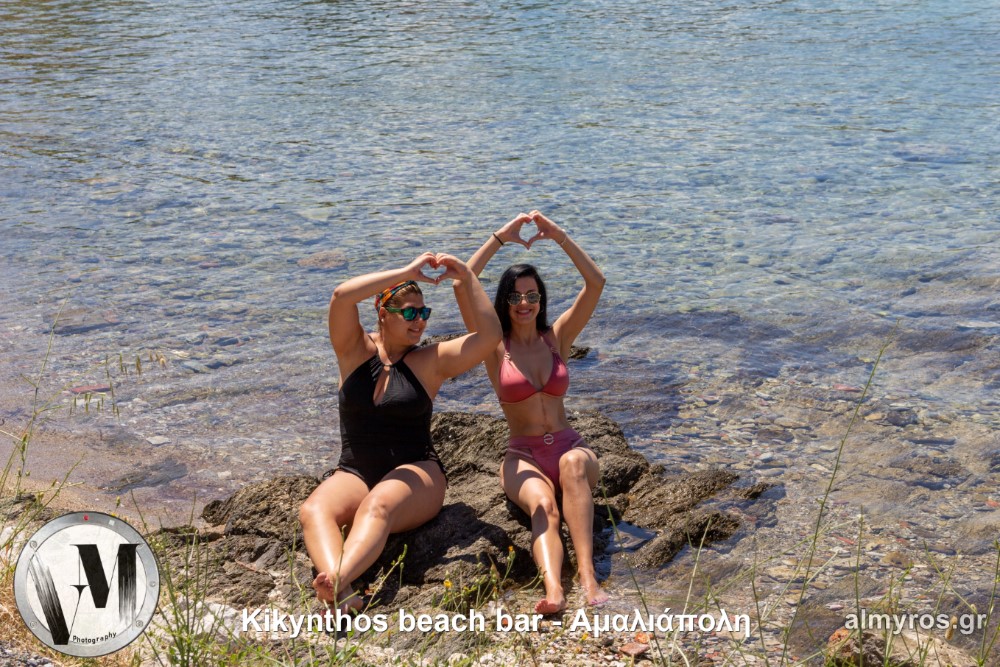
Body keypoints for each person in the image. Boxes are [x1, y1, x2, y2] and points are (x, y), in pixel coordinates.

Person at [300, 251, 501, 612]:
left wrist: (467, 276)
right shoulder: (353, 350)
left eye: (424, 313)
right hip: (355, 471)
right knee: (314, 510)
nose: (420, 321)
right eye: (410, 313)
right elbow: (341, 296)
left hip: (417, 473)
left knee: (378, 506)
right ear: (383, 313)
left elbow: (489, 336)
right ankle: (343, 592)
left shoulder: (431, 361)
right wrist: (407, 271)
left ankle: (337, 579)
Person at [459, 210, 608, 614]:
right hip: (523, 456)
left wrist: (560, 236)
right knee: (544, 507)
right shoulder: (494, 347)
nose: (523, 303)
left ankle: (588, 576)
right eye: (514, 296)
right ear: (503, 302)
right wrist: (499, 237)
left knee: (573, 465)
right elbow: (462, 281)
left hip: (570, 446)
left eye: (531, 296)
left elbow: (595, 283)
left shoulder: (557, 337)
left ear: (540, 300)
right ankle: (553, 590)